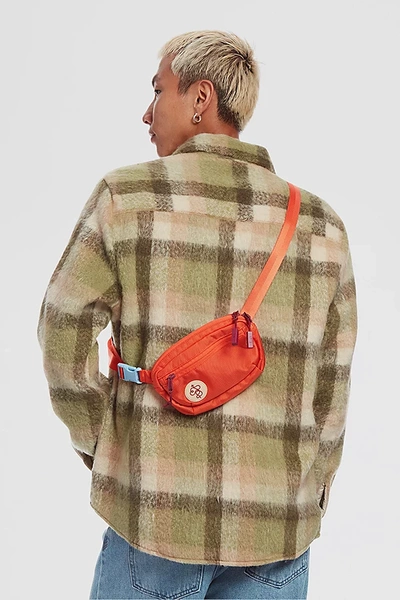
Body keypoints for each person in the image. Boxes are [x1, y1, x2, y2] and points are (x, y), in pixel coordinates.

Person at [37, 30, 358, 600]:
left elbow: (62, 330)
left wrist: (104, 444)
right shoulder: (322, 226)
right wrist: (309, 489)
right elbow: (333, 386)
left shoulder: (125, 199)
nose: (147, 113)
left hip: (154, 517)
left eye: (158, 90)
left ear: (200, 98)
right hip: (277, 528)